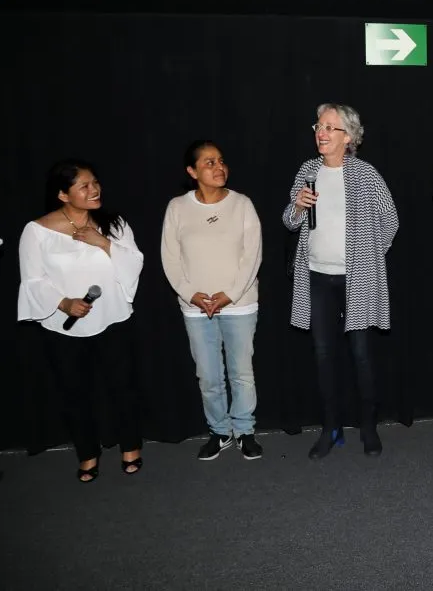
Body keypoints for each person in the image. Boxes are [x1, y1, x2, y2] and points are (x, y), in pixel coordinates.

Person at [17, 159, 145, 482]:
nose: (94, 189)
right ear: (63, 194)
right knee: (74, 392)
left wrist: (102, 242)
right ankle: (87, 453)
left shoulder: (114, 223)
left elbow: (134, 262)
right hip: (63, 326)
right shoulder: (37, 231)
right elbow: (32, 280)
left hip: (113, 319)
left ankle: (131, 447)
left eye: (95, 182)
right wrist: (64, 303)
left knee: (123, 386)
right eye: (84, 186)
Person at [284, 103, 398, 460]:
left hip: (356, 278)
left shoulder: (366, 174)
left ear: (348, 137)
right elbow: (289, 221)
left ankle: (368, 427)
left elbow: (390, 220)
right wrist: (298, 207)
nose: (321, 133)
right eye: (318, 126)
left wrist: (369, 258)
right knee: (322, 355)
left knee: (361, 355)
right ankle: (330, 428)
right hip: (317, 277)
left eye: (330, 127)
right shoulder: (307, 171)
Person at [161, 141, 264, 461]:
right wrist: (190, 293)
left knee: (241, 372)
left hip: (239, 303)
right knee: (208, 375)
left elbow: (252, 255)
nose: (219, 167)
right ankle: (220, 431)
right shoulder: (177, 207)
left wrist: (230, 294)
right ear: (192, 171)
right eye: (209, 163)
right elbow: (170, 256)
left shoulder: (242, 204)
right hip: (196, 307)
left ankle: (244, 430)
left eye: (221, 161)